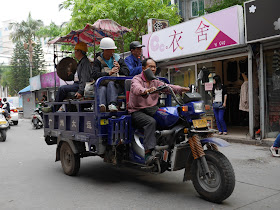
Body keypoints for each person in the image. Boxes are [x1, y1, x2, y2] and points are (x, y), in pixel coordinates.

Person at [127, 58, 190, 164]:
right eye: (150, 67)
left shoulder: (155, 82)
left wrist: (182, 89)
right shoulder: (136, 79)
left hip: (151, 109)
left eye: (154, 67)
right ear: (143, 68)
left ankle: (168, 144)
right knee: (150, 122)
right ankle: (148, 154)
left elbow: (167, 87)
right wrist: (145, 90)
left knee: (169, 116)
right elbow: (136, 88)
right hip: (137, 111)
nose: (153, 69)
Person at [43, 41, 93, 112]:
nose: (74, 52)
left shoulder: (85, 63)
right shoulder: (80, 62)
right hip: (77, 84)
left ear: (80, 52)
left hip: (80, 85)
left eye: (76, 51)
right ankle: (55, 107)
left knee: (62, 89)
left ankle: (53, 109)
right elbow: (78, 77)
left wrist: (80, 91)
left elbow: (85, 78)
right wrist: (71, 75)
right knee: (62, 90)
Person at [92, 37, 129, 112]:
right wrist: (109, 73)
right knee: (102, 88)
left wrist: (119, 68)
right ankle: (102, 106)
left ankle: (112, 104)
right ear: (104, 50)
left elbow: (127, 72)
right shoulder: (98, 61)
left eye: (113, 49)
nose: (113, 51)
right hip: (103, 85)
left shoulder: (118, 59)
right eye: (110, 49)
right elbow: (94, 75)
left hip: (117, 86)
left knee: (111, 83)